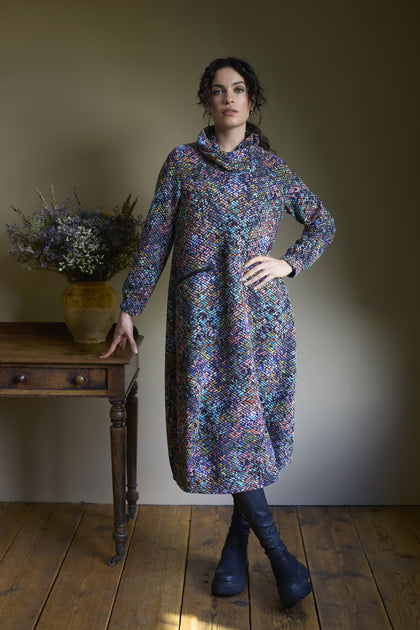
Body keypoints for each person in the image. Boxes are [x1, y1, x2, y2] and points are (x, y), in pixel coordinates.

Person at [102, 57, 336, 609]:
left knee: (246, 432)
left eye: (237, 90)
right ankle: (280, 556)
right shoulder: (182, 164)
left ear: (252, 100)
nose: (227, 99)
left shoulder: (274, 171)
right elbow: (157, 238)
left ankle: (239, 549)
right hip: (201, 322)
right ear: (205, 102)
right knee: (222, 430)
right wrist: (130, 306)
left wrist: (288, 264)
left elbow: (321, 222)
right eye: (216, 91)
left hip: (260, 321)